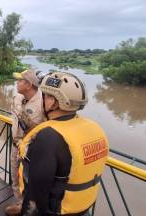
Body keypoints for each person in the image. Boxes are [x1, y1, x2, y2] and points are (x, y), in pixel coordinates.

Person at [18, 71, 109, 215]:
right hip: (84, 207)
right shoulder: (95, 128)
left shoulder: (48, 137)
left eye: (45, 96)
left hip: (55, 210)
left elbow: (36, 193)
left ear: (53, 102)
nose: (42, 99)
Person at [6, 69, 46, 216]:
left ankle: (31, 209)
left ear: (29, 85)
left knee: (30, 180)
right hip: (16, 145)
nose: (17, 82)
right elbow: (13, 118)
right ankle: (19, 203)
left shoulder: (44, 103)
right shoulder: (17, 97)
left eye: (20, 80)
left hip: (32, 150)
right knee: (15, 176)